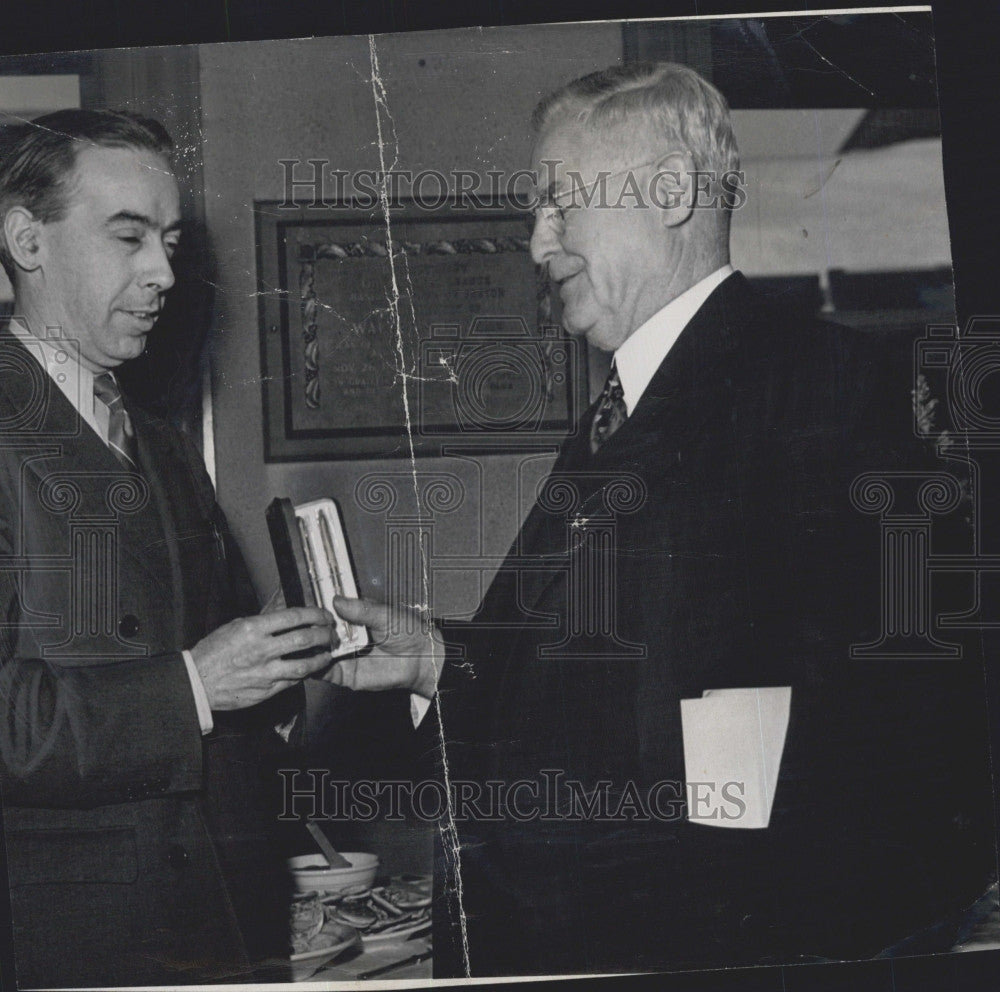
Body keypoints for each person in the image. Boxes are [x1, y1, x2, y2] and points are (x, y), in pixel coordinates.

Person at [329, 61, 996, 977]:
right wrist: (434, 658)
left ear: (672, 192)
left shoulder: (820, 386)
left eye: (561, 205)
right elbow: (594, 676)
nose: (536, 242)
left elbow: (900, 728)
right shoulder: (629, 403)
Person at [0, 110, 337, 986]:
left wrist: (279, 657)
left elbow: (204, 653)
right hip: (64, 940)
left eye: (171, 240)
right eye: (128, 237)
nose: (163, 273)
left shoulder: (157, 435)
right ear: (25, 242)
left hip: (215, 918)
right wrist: (196, 683)